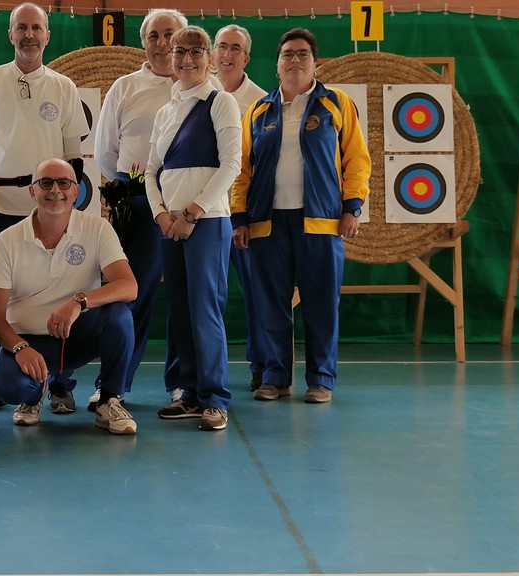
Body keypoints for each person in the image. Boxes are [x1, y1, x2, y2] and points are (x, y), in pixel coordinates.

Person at [0, 1, 89, 415]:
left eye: (36, 28)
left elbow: (74, 156)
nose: (29, 35)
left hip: (51, 209)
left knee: (60, 293)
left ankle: (61, 383)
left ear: (47, 35)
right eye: (22, 28)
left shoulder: (64, 87)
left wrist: (69, 205)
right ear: (11, 34)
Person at [231, 28, 371, 404]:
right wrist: (239, 217)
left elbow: (357, 159)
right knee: (271, 304)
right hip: (267, 223)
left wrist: (352, 207)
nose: (295, 60)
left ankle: (321, 379)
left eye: (303, 54)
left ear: (315, 62)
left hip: (322, 222)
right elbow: (242, 170)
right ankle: (275, 377)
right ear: (277, 65)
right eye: (288, 54)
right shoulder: (258, 111)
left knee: (321, 304)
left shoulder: (337, 103)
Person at [0, 158, 138, 435]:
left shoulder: (98, 229)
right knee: (10, 388)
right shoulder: (7, 241)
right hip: (28, 340)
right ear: (32, 191)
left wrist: (79, 301)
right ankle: (33, 396)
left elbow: (129, 286)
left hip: (78, 336)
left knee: (119, 316)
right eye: (45, 183)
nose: (55, 190)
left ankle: (108, 400)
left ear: (76, 191)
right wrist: (19, 348)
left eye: (64, 183)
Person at [145, 26, 242, 431]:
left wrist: (192, 214)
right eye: (179, 52)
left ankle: (214, 399)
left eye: (195, 52)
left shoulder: (221, 102)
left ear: (210, 58)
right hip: (171, 224)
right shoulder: (166, 111)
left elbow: (232, 164)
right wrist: (161, 215)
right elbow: (151, 171)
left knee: (204, 309)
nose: (186, 60)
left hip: (207, 222)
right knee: (180, 309)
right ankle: (187, 392)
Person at [92, 8, 188, 410]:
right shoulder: (125, 87)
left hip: (189, 206)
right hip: (138, 204)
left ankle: (184, 383)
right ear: (143, 42)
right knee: (133, 293)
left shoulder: (204, 88)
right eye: (154, 35)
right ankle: (113, 385)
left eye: (171, 34)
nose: (163, 43)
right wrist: (139, 183)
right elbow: (105, 151)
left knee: (186, 295)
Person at [213, 24, 268, 393]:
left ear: (246, 58)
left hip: (246, 215)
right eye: (222, 46)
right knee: (207, 296)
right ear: (212, 54)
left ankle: (263, 366)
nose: (227, 54)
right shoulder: (197, 92)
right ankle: (202, 371)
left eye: (235, 48)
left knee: (258, 294)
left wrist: (244, 214)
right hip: (205, 213)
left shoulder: (262, 102)